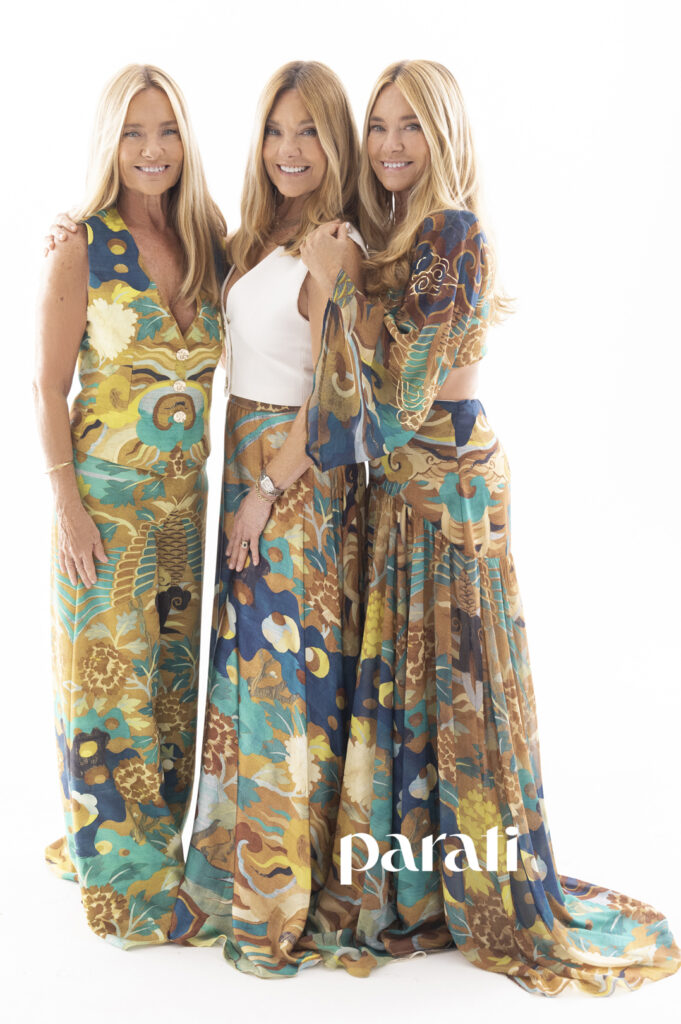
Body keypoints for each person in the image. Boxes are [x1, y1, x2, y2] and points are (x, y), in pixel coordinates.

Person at [299, 60, 681, 995]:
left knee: (457, 687)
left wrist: (341, 283)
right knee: (412, 685)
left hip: (447, 497)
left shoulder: (452, 232)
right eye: (378, 125)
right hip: (405, 494)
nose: (390, 143)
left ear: (445, 136)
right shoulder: (401, 230)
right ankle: (415, 884)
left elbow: (399, 400)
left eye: (411, 126)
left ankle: (467, 888)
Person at [167, 62, 368, 976]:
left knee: (283, 681)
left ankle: (276, 898)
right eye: (276, 131)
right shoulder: (254, 235)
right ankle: (233, 870)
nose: (289, 149)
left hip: (291, 483)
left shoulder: (332, 243)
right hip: (246, 468)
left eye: (308, 131)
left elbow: (333, 395)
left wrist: (264, 491)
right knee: (249, 674)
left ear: (335, 143)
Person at [34, 63, 226, 946]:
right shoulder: (82, 245)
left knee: (171, 696)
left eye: (168, 130)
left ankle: (160, 854)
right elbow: (46, 387)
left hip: (184, 513)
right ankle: (124, 887)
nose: (153, 149)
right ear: (110, 143)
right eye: (134, 132)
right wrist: (67, 506)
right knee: (107, 698)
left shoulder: (210, 239)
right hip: (105, 514)